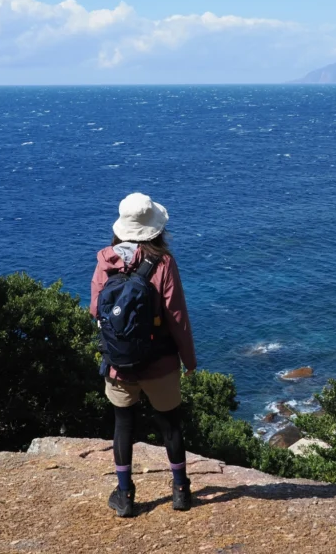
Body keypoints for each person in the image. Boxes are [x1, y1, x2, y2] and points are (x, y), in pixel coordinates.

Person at [90, 192, 197, 518]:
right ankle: (180, 491)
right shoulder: (163, 263)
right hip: (160, 362)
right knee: (170, 425)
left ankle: (125, 495)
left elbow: (96, 310)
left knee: (123, 425)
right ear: (156, 229)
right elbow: (176, 316)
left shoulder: (105, 260)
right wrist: (189, 360)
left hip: (119, 365)